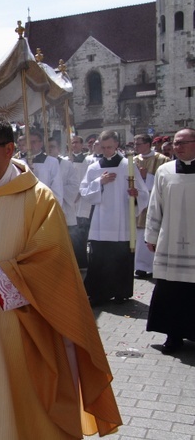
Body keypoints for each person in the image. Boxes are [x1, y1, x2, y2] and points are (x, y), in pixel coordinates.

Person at [0, 115, 122, 439]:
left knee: (24, 404)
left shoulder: (39, 198)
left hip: (22, 325)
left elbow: (53, 262)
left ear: (8, 149)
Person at [80, 130, 149, 305]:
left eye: (109, 147)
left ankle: (120, 292)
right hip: (100, 221)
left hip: (122, 219)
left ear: (117, 145)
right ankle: (98, 293)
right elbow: (84, 192)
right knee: (99, 258)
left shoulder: (128, 165)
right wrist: (99, 183)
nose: (106, 151)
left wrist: (135, 195)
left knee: (120, 256)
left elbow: (143, 193)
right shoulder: (94, 167)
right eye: (103, 147)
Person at [145, 128, 195, 355]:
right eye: (176, 143)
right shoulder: (164, 171)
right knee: (172, 291)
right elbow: (156, 206)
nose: (178, 147)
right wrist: (151, 236)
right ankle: (172, 335)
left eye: (184, 142)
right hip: (171, 239)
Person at [132, 134, 170, 278]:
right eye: (135, 144)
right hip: (138, 203)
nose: (136, 147)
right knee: (140, 236)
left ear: (148, 144)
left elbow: (165, 182)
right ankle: (140, 266)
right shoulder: (133, 160)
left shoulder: (162, 160)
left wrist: (146, 176)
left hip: (155, 202)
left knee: (154, 233)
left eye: (139, 144)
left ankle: (155, 267)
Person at [68, 136, 95, 268]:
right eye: (72, 143)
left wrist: (79, 192)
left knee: (81, 230)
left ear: (82, 144)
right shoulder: (66, 160)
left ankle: (82, 261)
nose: (74, 145)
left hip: (82, 199)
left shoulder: (88, 160)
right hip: (70, 199)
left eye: (77, 142)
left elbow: (88, 179)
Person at [16, 132, 63, 204]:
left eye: (33, 142)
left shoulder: (52, 162)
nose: (30, 145)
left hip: (45, 202)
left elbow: (57, 186)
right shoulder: (21, 162)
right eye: (28, 142)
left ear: (41, 144)